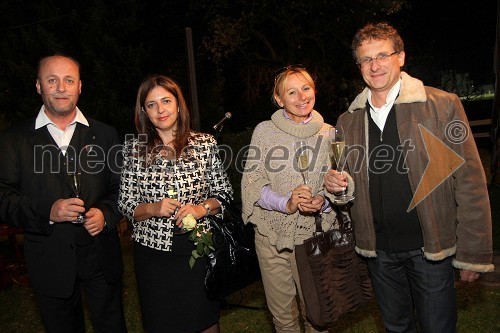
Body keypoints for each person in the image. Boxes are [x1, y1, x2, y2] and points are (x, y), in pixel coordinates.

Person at [324, 22, 494, 332]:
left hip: (430, 249)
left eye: (382, 55)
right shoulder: (348, 120)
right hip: (379, 253)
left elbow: (470, 182)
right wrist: (338, 188)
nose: (374, 65)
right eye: (365, 59)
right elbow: (348, 185)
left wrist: (473, 252)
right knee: (396, 328)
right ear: (358, 65)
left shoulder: (440, 105)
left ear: (400, 57)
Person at [0, 54, 127, 332]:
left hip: (101, 258)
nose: (61, 87)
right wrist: (48, 211)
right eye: (52, 80)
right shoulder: (13, 140)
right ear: (38, 86)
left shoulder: (105, 135)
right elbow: (3, 198)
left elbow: (122, 188)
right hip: (50, 262)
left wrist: (106, 214)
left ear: (79, 86)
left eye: (68, 80)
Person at [241, 66, 354, 333]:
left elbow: (340, 182)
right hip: (272, 237)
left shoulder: (330, 132)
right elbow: (252, 182)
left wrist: (323, 201)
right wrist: (286, 203)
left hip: (313, 238)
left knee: (317, 314)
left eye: (306, 88)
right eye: (292, 92)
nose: (301, 96)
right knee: (283, 318)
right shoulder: (264, 132)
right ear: (279, 99)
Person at [118, 74, 233, 333]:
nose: (160, 110)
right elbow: (125, 204)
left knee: (205, 321)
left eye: (166, 101)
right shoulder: (133, 149)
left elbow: (224, 195)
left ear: (178, 105)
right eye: (151, 104)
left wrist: (199, 209)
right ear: (144, 112)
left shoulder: (204, 144)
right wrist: (152, 208)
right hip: (153, 256)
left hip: (197, 248)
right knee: (162, 323)